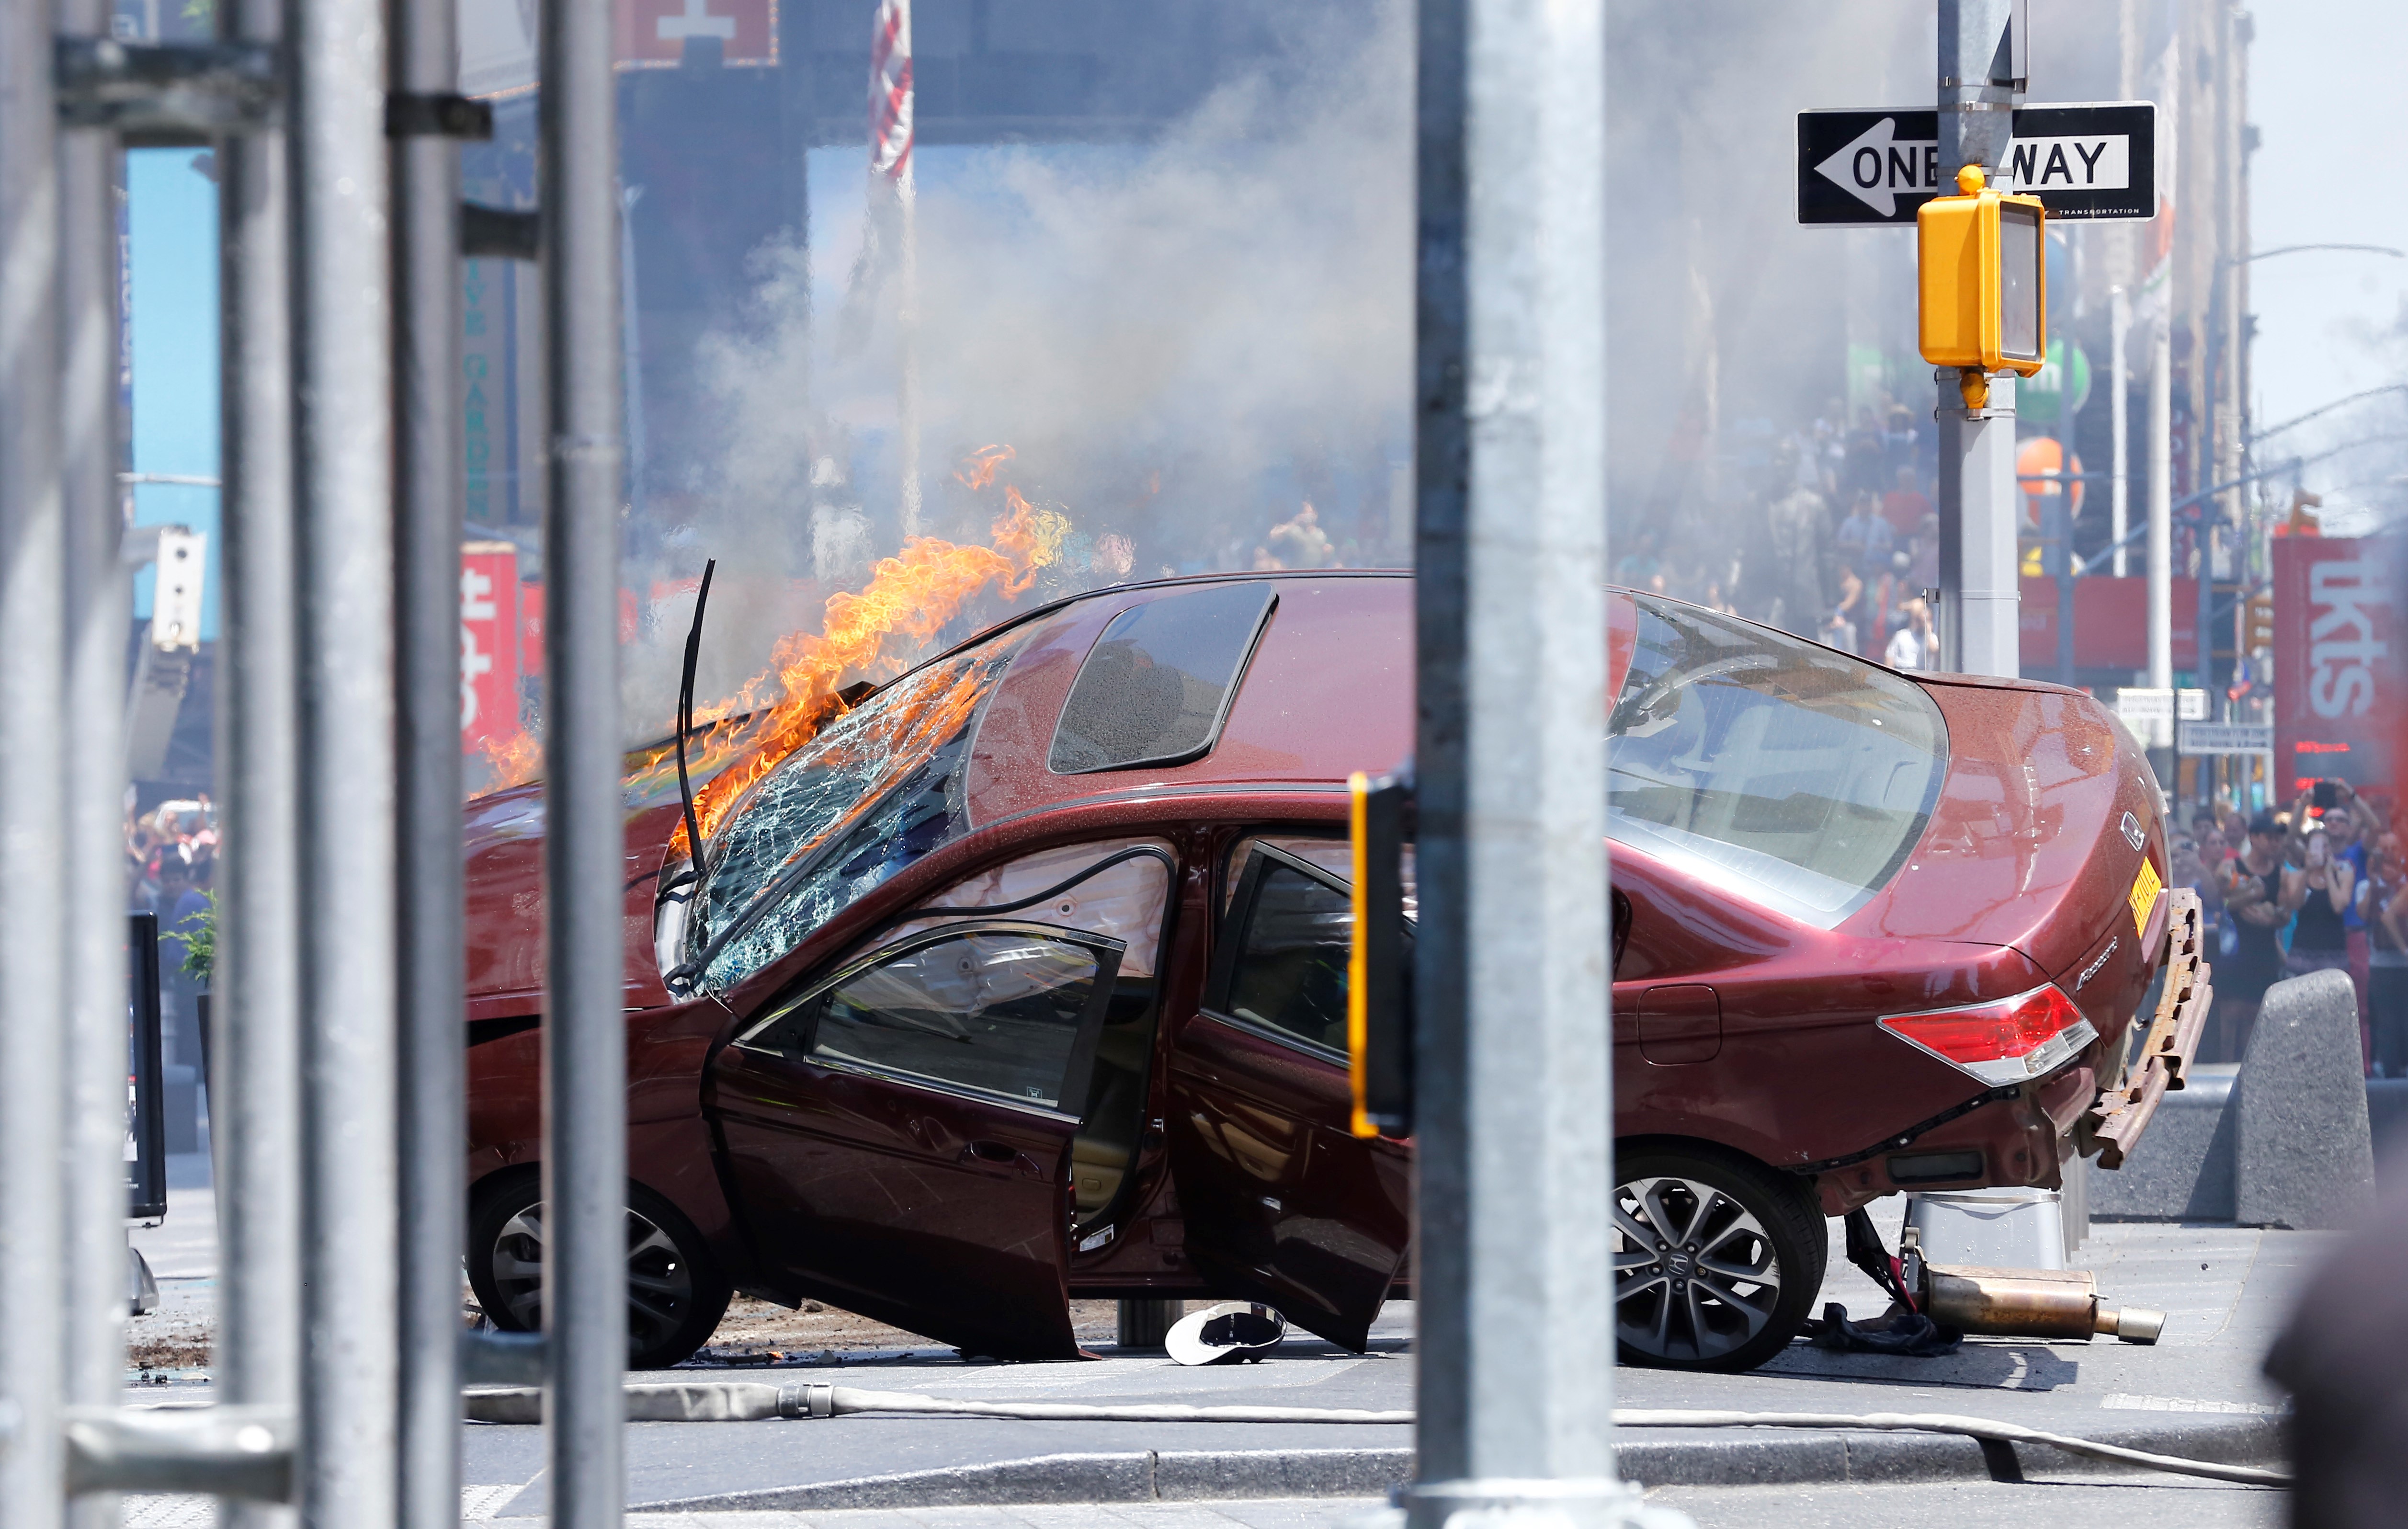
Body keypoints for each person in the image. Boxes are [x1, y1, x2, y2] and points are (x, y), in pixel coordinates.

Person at [2213, 812, 2292, 1064]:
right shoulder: (2232, 868)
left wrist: (2272, 919)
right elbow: (2221, 904)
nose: (2274, 844)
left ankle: (2249, 1083)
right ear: (2254, 838)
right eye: (2269, 838)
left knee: (2254, 1029)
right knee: (2228, 1026)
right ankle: (2223, 1088)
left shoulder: (2281, 874)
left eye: (2277, 839)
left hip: (2264, 955)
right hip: (2236, 955)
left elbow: (2286, 914)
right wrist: (2251, 896)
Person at [2281, 824, 2356, 986]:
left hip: (2334, 954)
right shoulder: (2296, 876)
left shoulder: (2344, 875)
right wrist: (2308, 871)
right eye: (2316, 847)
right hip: (2303, 952)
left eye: (2325, 846)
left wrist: (2329, 874)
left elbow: (2339, 906)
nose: (2321, 850)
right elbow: (2296, 904)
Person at [2368, 840, 2408, 1078]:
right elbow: (2387, 917)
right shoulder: (2378, 888)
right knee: (2388, 1020)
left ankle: (2397, 1069)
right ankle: (2392, 1070)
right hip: (2385, 963)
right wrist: (2404, 949)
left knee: (2399, 1019)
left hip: (2394, 965)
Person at [1881, 464, 1932, 540]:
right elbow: (1883, 517)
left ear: (1913, 480)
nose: (1906, 481)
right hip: (1893, 538)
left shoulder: (1920, 498)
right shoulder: (1890, 497)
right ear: (1899, 480)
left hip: (1914, 538)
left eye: (1909, 479)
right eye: (1904, 478)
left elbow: (1930, 518)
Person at [1885, 597, 1933, 671]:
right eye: (1920, 619)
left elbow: (1934, 651)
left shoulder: (1931, 639)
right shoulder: (1901, 636)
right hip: (1901, 673)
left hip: (1922, 675)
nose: (1923, 623)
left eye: (1925, 620)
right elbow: (1889, 657)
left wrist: (1929, 632)